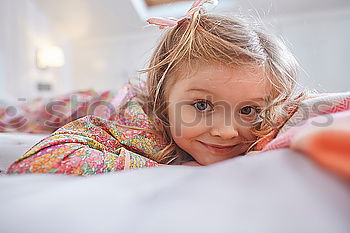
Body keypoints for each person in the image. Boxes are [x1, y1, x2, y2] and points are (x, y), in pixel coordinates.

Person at [7, 0, 303, 175]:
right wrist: (164, 168)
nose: (226, 131)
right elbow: (42, 156)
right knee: (14, 114)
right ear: (163, 97)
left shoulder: (265, 125)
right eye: (202, 105)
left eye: (248, 109)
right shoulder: (138, 127)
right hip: (86, 104)